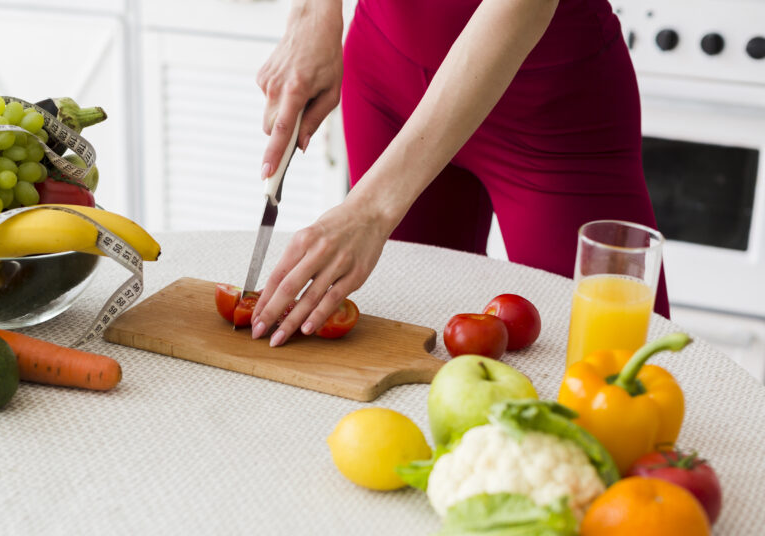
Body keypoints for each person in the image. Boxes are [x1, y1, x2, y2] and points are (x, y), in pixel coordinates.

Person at [249, 0, 669, 347]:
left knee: (621, 364)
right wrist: (312, 14)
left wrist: (371, 210)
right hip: (386, 74)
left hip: (551, 107)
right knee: (398, 341)